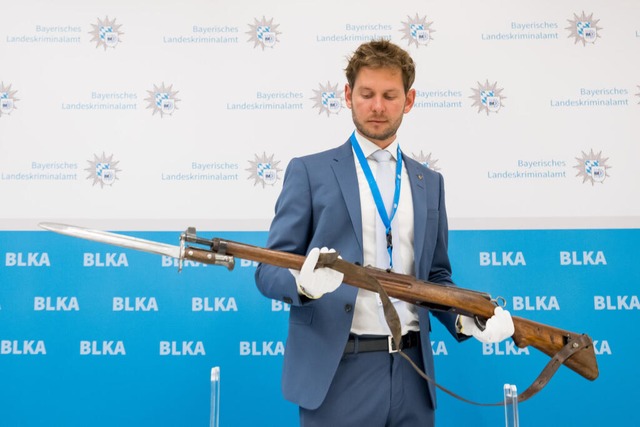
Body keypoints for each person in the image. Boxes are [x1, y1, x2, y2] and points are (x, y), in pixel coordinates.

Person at [255, 39, 514, 427]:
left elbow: (436, 278)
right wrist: (304, 284)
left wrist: (467, 319)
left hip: (413, 373)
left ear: (409, 100)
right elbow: (267, 270)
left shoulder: (431, 183)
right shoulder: (308, 173)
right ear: (347, 95)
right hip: (337, 372)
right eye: (367, 94)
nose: (378, 106)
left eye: (390, 95)